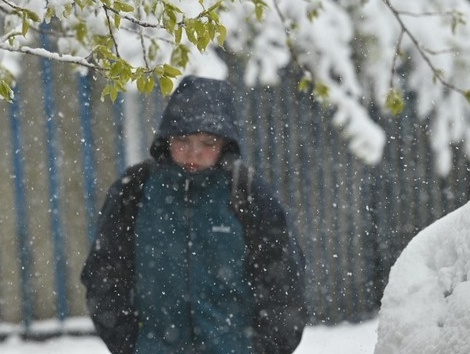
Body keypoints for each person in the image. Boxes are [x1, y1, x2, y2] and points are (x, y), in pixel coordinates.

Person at [81, 76, 306, 354]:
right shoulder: (135, 191)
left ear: (225, 143)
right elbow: (104, 275)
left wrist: (263, 347)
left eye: (208, 142)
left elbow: (285, 283)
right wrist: (129, 344)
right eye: (183, 139)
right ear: (167, 138)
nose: (194, 152)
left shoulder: (247, 192)